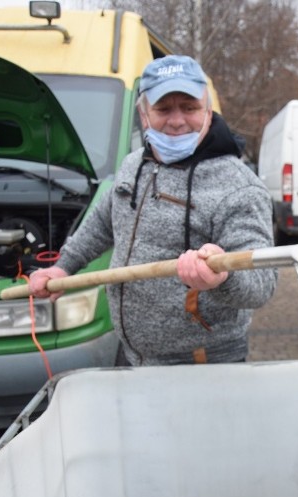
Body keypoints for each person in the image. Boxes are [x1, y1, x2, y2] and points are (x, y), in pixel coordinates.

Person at [29, 55, 277, 365]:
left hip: (201, 361)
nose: (176, 120)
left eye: (189, 108)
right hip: (134, 353)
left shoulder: (239, 187)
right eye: (163, 109)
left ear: (208, 112)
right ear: (144, 114)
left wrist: (222, 278)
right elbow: (103, 223)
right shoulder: (134, 164)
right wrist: (62, 267)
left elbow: (262, 284)